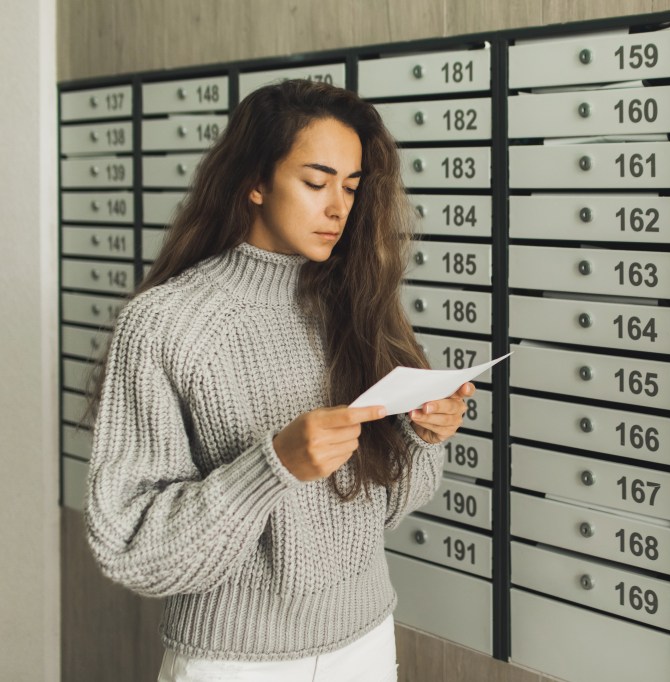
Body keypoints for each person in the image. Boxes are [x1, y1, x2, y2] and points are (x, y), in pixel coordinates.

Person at [83, 79, 473, 682]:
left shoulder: (358, 304)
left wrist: (422, 435)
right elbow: (133, 550)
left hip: (365, 641)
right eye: (316, 182)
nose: (338, 207)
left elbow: (383, 509)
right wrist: (274, 467)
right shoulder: (165, 324)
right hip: (232, 661)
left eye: (350, 186)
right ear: (255, 182)